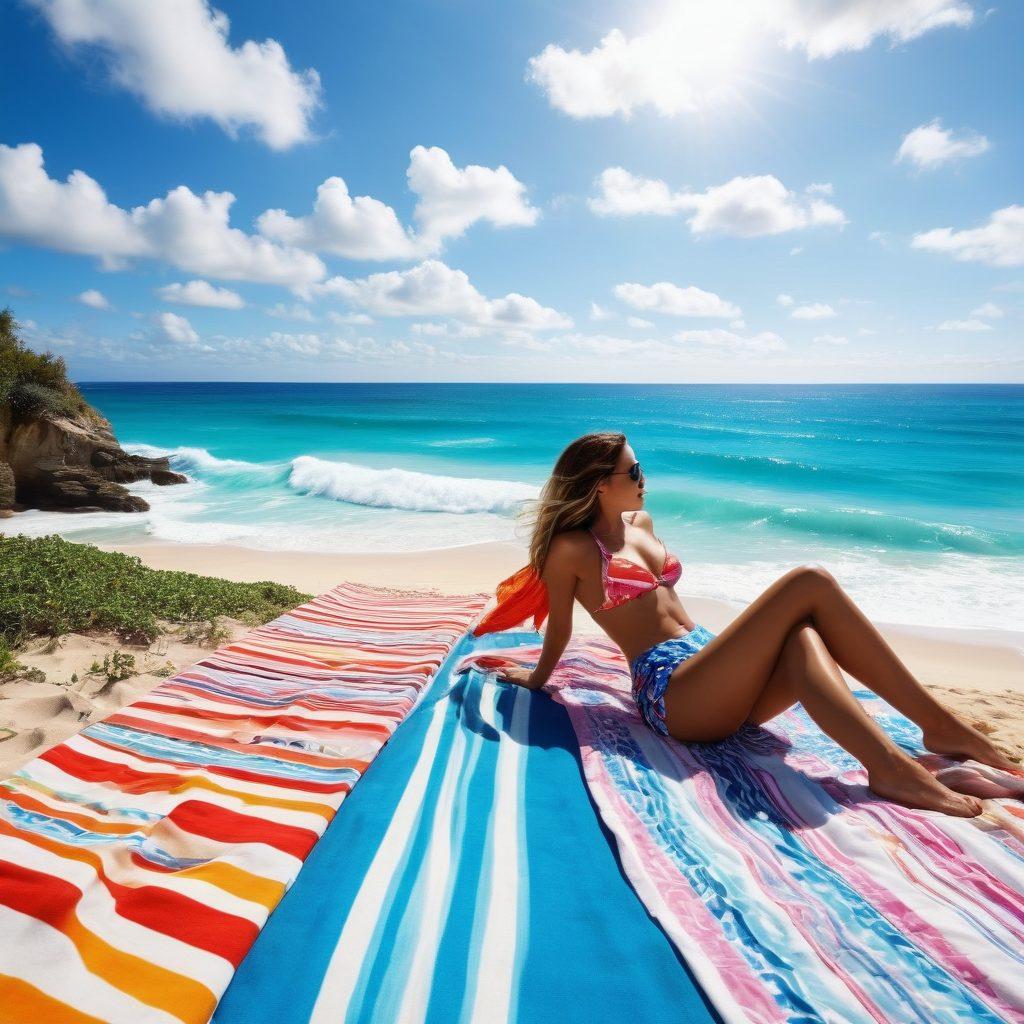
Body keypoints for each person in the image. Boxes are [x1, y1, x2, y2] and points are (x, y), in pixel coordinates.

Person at [474, 431, 1018, 818]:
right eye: (633, 471)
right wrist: (538, 678)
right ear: (598, 484)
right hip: (674, 694)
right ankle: (907, 754)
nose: (644, 478)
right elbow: (563, 629)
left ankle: (919, 744)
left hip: (713, 676)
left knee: (803, 637)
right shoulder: (571, 548)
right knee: (810, 582)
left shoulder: (641, 522)